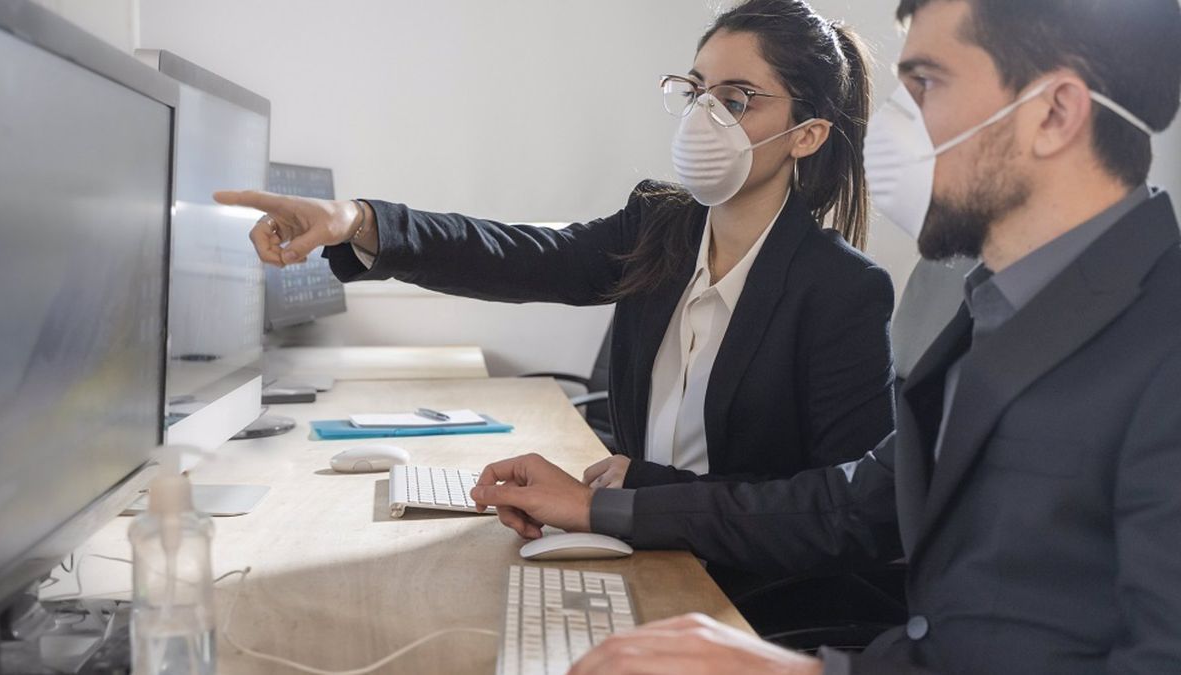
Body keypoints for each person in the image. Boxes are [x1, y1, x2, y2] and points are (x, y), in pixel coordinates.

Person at [469, 0, 1181, 673]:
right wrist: (600, 506)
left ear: (1054, 113)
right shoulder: (998, 307)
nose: (897, 126)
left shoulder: (1160, 342)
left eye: (926, 83)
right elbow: (846, 504)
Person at [219, 1, 896, 494]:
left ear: (806, 134)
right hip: (642, 548)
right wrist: (353, 219)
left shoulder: (841, 292)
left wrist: (639, 497)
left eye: (737, 99)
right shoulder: (659, 228)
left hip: (749, 602)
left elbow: (837, 513)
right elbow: (515, 253)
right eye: (695, 91)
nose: (703, 117)